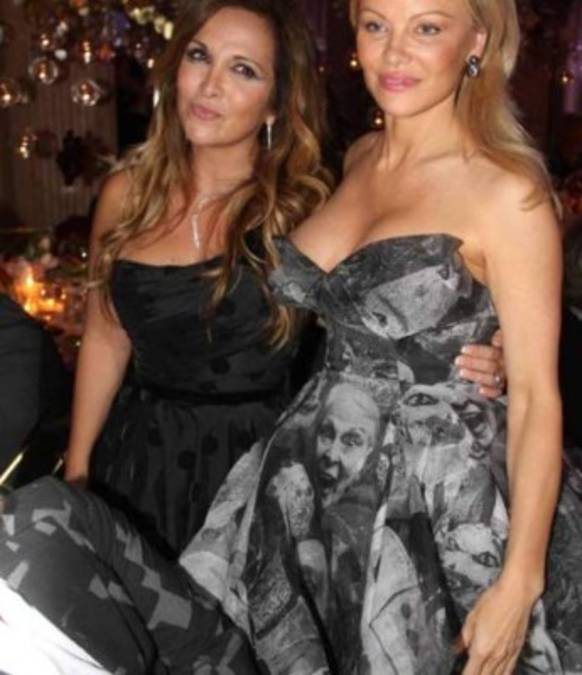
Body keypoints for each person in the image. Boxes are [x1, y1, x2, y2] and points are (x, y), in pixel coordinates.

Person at [63, 0, 503, 557]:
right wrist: (78, 469)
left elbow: (408, 300)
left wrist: (494, 347)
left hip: (259, 464)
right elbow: (106, 336)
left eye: (243, 70)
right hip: (137, 459)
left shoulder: (309, 206)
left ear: (276, 104)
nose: (210, 85)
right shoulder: (126, 195)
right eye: (199, 56)